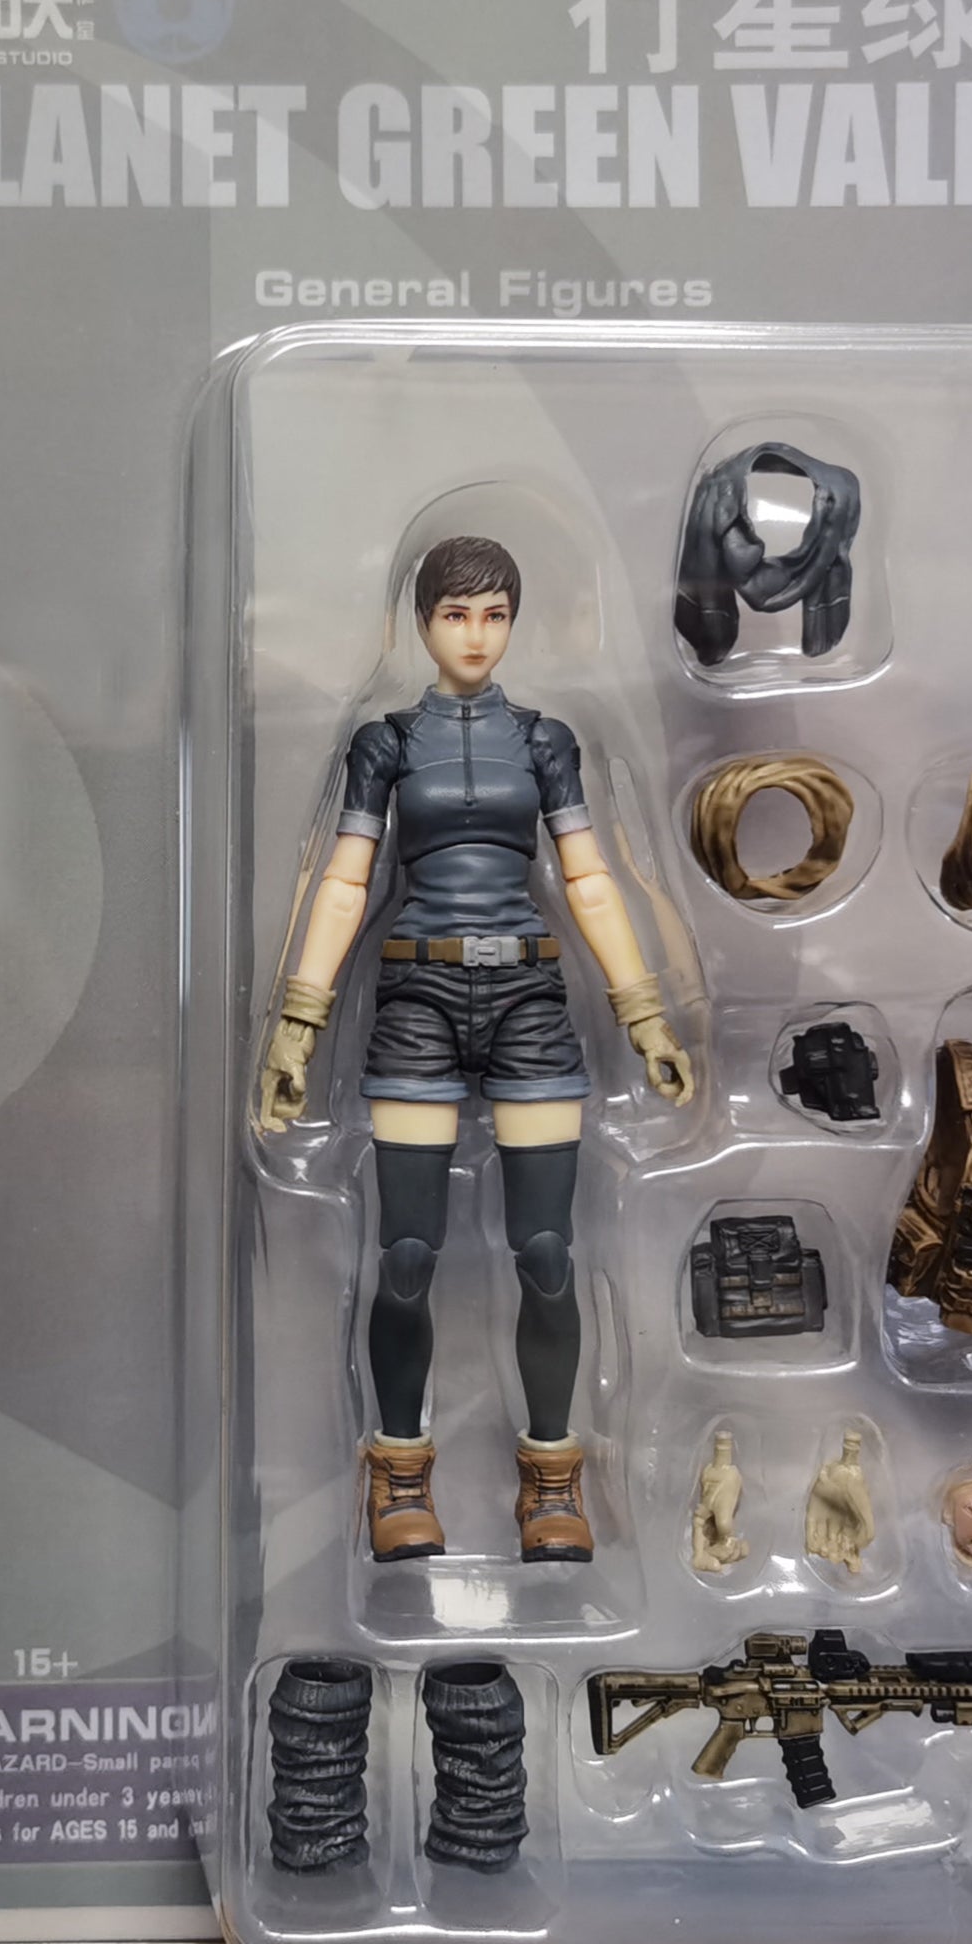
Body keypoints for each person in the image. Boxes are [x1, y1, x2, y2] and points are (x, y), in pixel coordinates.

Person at [258, 535, 692, 1562]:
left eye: (494, 615)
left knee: (546, 1255)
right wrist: (297, 1021)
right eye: (456, 615)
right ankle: (399, 1469)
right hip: (416, 991)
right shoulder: (385, 743)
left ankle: (552, 1478)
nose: (476, 635)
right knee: (406, 1255)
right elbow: (343, 882)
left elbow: (590, 879)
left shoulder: (543, 741)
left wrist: (644, 1013)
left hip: (530, 995)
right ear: (422, 622)